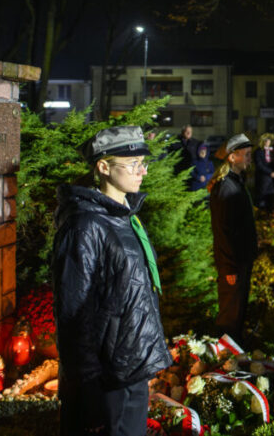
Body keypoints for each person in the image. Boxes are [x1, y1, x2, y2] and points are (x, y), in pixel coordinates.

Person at [52, 125, 171, 436]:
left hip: (129, 370)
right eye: (132, 164)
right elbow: (73, 313)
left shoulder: (123, 215)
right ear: (103, 167)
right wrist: (87, 388)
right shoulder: (85, 226)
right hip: (106, 380)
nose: (142, 171)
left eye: (144, 162)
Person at [208, 134, 258, 341]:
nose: (249, 159)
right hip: (233, 265)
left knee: (237, 314)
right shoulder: (226, 187)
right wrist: (230, 267)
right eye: (245, 155)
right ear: (231, 158)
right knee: (230, 316)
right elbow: (224, 231)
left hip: (240, 261)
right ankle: (224, 363)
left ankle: (233, 360)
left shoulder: (235, 183)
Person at [253, 133, 274, 210]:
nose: (268, 141)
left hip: (272, 180)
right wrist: (270, 172)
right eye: (266, 140)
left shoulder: (273, 151)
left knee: (271, 199)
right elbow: (259, 165)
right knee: (261, 199)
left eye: (269, 140)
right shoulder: (258, 151)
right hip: (263, 179)